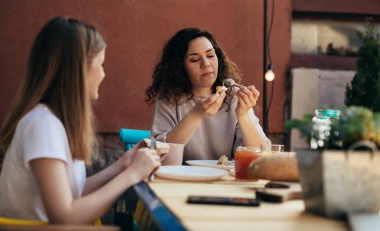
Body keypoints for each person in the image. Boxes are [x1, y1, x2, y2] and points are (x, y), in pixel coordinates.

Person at [0, 16, 161, 224]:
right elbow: (65, 216)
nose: (104, 74)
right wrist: (131, 174)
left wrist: (122, 165)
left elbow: (74, 193)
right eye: (101, 64)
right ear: (79, 68)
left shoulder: (53, 123)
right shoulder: (42, 125)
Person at [145, 28, 270, 162]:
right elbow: (161, 155)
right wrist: (195, 114)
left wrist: (243, 114)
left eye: (210, 56)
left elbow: (261, 157)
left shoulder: (234, 97)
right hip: (183, 180)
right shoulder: (169, 98)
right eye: (194, 59)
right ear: (179, 67)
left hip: (225, 179)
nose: (206, 64)